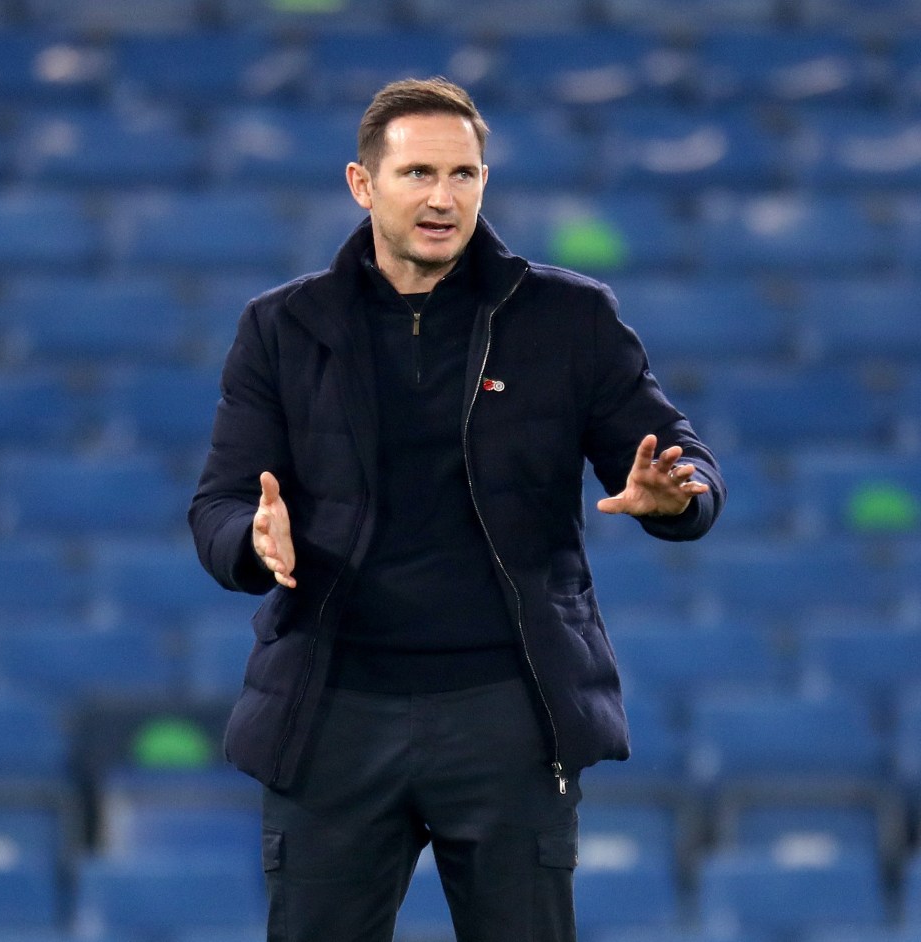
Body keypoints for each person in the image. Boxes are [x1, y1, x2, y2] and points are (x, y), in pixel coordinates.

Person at [189, 76, 725, 942]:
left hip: (508, 711)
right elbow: (217, 503)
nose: (444, 198)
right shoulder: (283, 327)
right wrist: (251, 542)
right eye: (418, 174)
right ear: (363, 185)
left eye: (465, 174)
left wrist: (678, 497)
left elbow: (684, 459)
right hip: (334, 712)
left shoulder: (569, 318)